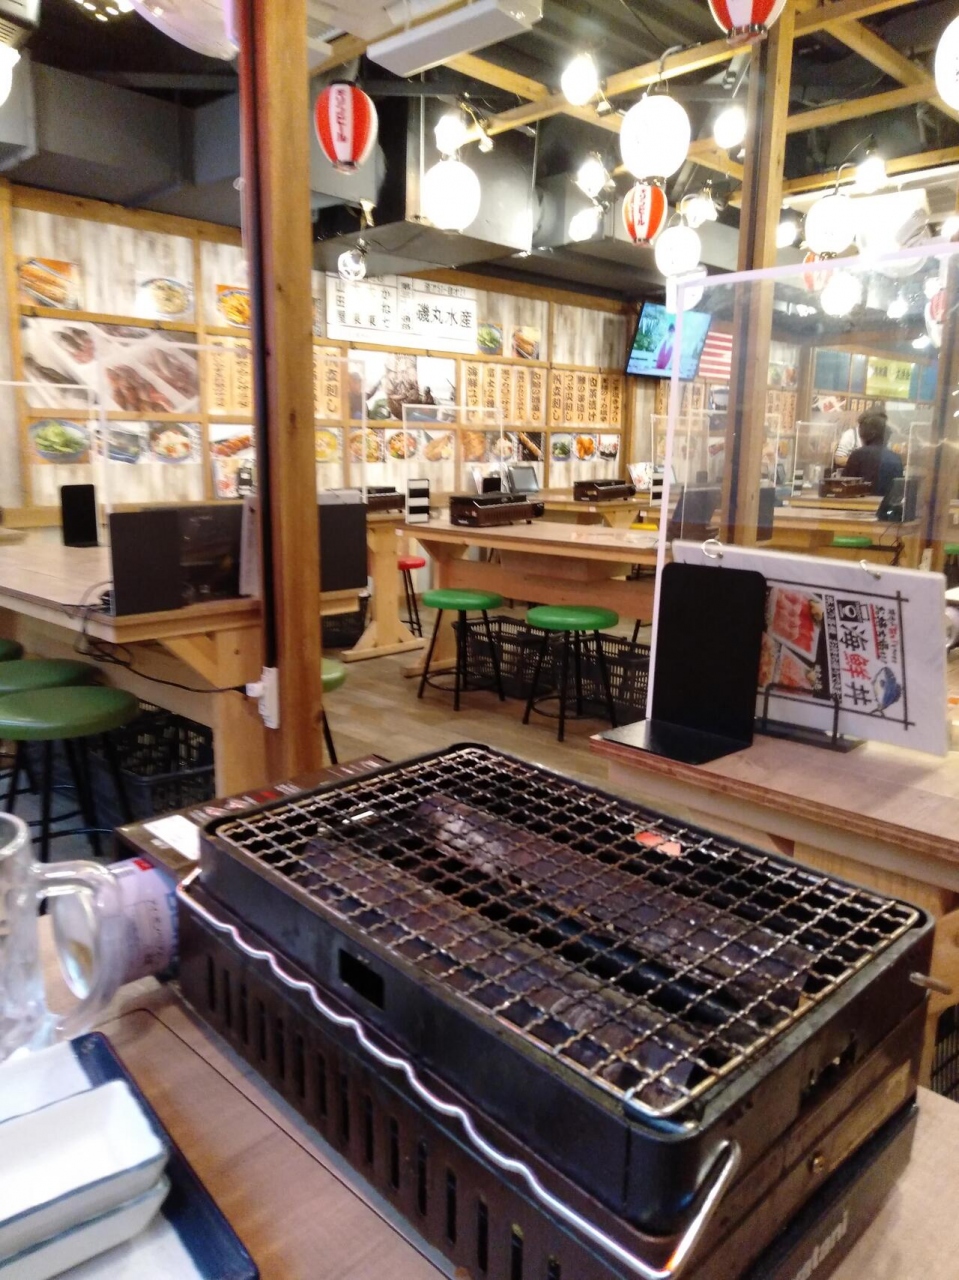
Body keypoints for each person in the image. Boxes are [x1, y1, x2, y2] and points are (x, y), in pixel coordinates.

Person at [842, 410, 903, 500]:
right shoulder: (896, 457)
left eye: (861, 429)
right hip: (886, 506)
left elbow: (844, 487)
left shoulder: (858, 455)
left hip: (860, 505)